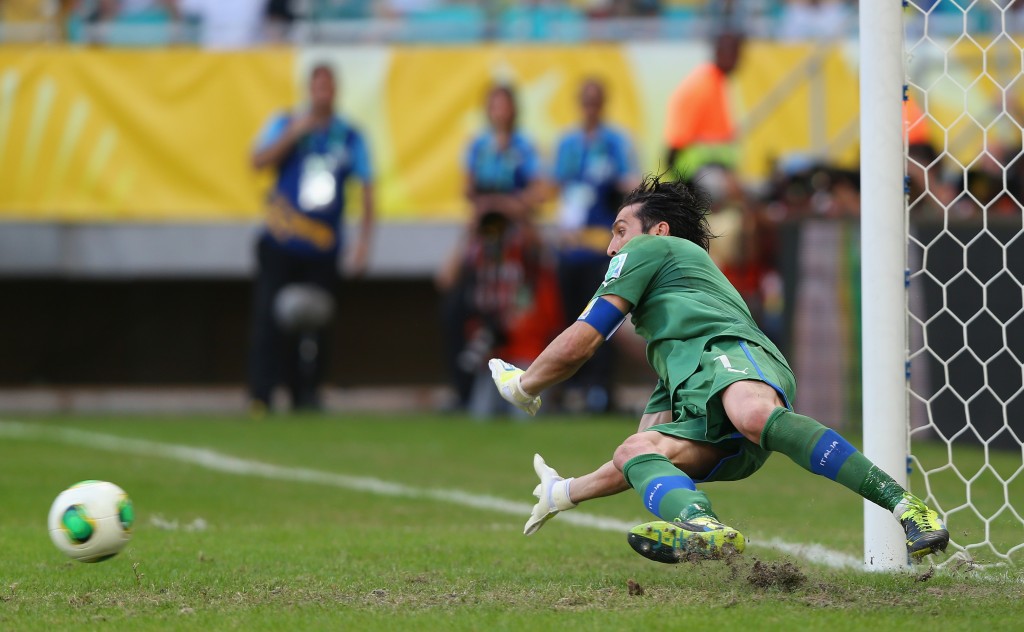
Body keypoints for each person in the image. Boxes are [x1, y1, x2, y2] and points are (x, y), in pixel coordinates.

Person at [488, 174, 950, 563]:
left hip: (733, 354)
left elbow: (583, 340)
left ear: (659, 231)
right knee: (635, 450)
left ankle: (907, 506)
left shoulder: (650, 251)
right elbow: (632, 465)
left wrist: (523, 384)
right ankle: (702, 525)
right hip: (706, 400)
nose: (612, 248)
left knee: (751, 413)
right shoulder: (668, 350)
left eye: (620, 230)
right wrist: (564, 491)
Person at [248, 63, 375, 413]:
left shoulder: (350, 136)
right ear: (309, 89)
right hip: (281, 240)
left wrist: (363, 242)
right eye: (317, 85)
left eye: (328, 85)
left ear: (336, 91)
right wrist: (294, 133)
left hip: (322, 245)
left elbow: (367, 188)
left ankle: (307, 394)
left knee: (317, 322)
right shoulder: (286, 122)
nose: (323, 91)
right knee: (270, 318)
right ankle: (262, 394)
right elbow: (257, 161)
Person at [438, 84, 551, 413]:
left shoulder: (525, 147)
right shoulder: (477, 147)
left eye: (505, 106)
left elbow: (537, 193)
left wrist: (504, 203)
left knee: (524, 304)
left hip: (516, 232)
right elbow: (467, 190)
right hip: (485, 234)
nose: (500, 112)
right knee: (459, 306)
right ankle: (463, 385)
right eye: (494, 106)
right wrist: (485, 207)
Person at [551, 78, 639, 412]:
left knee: (602, 316)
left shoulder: (616, 142)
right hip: (572, 244)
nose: (590, 108)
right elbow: (561, 189)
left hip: (603, 244)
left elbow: (630, 184)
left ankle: (599, 389)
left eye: (595, 101)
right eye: (585, 101)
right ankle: (570, 385)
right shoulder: (568, 143)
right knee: (569, 316)